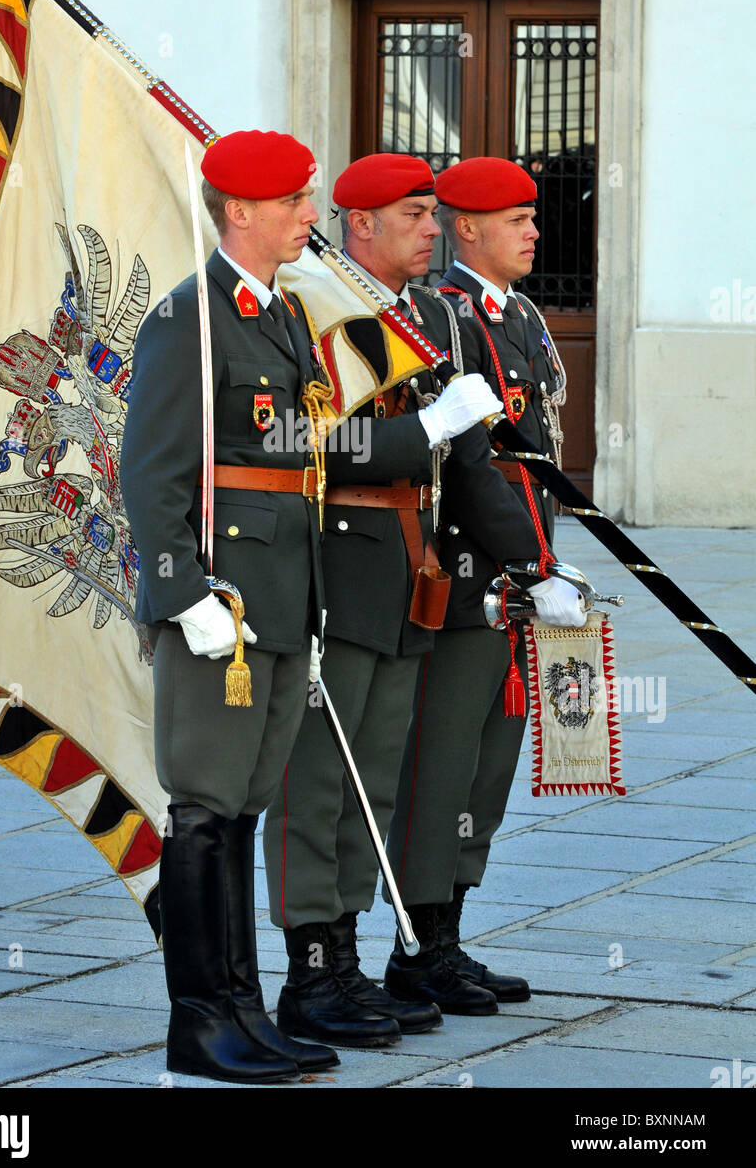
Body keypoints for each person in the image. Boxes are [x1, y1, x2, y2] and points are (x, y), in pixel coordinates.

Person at [263, 153, 504, 1046]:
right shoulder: (309, 302)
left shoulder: (422, 313)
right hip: (339, 566)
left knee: (378, 782)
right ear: (358, 223)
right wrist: (417, 435)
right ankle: (310, 971)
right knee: (319, 781)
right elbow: (293, 436)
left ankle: (353, 954)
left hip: (410, 564)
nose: (433, 229)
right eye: (414, 213)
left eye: (435, 213)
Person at [121, 129, 338, 1083]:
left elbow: (294, 462)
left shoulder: (282, 315)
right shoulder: (187, 318)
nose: (309, 215)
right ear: (239, 211)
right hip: (222, 605)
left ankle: (243, 1010)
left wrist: (308, 611)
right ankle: (198, 1021)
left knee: (244, 805)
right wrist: (178, 593)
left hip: (281, 605)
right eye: (294, 201)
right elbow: (151, 471)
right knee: (203, 806)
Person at [383, 155, 586, 1014]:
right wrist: (525, 563)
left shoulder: (523, 316)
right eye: (517, 220)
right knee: (441, 769)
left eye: (534, 219)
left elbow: (534, 460)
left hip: (514, 577)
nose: (536, 232)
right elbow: (469, 469)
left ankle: (451, 937)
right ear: (466, 227)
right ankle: (415, 950)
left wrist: (549, 559)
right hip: (467, 578)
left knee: (487, 772)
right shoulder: (443, 316)